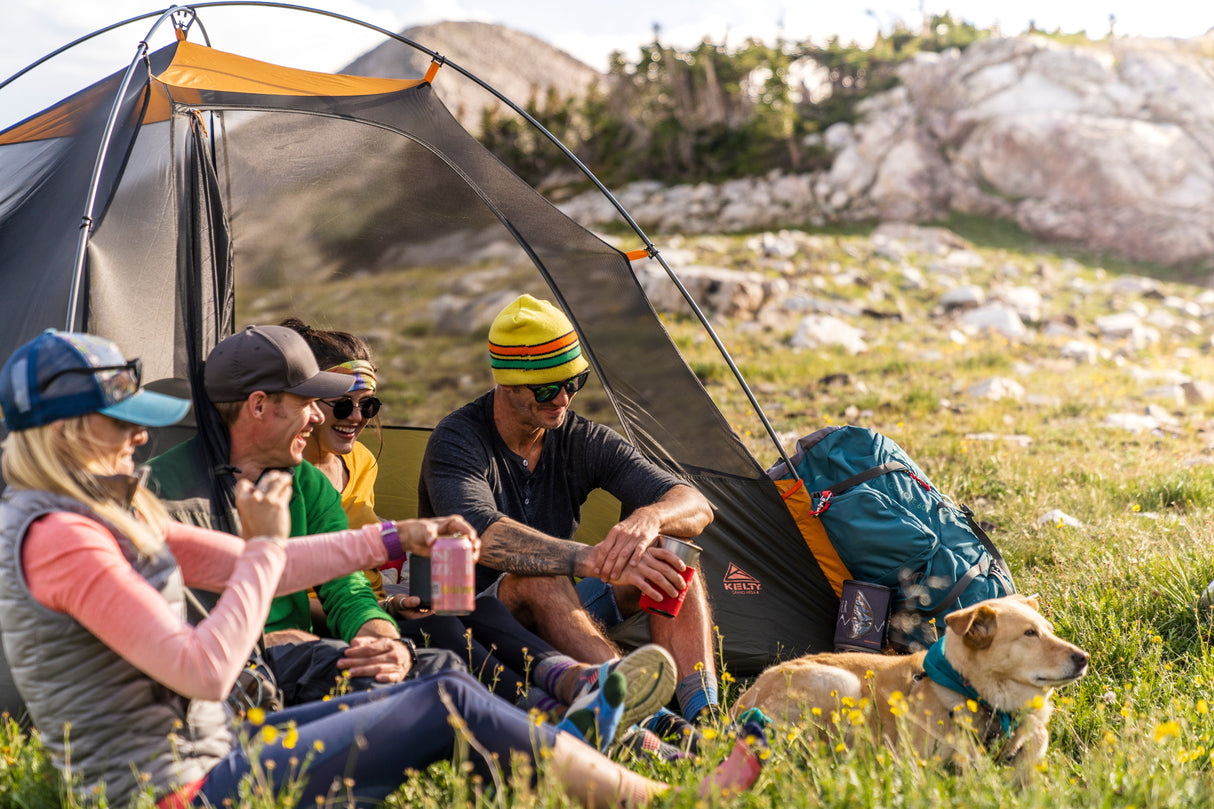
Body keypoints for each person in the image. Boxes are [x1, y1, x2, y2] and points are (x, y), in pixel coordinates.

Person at [0, 329, 769, 808]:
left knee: (436, 686)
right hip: (180, 789)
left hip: (210, 750)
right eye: (120, 426)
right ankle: (665, 798)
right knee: (440, 704)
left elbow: (259, 562)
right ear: (69, 432)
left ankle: (594, 748)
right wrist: (268, 548)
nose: (138, 440)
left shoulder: (95, 514)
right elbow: (203, 667)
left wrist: (399, 536)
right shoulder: (63, 538)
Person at [282, 317, 677, 727]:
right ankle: (571, 712)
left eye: (370, 405)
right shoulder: (284, 484)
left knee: (472, 614)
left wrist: (649, 517)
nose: (358, 417)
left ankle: (616, 693)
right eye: (344, 405)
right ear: (305, 403)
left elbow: (352, 550)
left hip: (384, 607)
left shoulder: (360, 461)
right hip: (355, 619)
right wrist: (389, 603)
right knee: (452, 626)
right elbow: (305, 594)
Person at [418, 294, 723, 736]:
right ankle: (642, 716)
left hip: (560, 604)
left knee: (671, 557)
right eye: (546, 388)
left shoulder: (579, 436)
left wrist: (650, 519)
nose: (562, 398)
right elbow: (480, 533)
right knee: (540, 573)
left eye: (574, 382)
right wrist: (589, 558)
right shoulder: (457, 440)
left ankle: (707, 718)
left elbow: (694, 503)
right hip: (474, 618)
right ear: (507, 383)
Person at [145, 324, 453, 703]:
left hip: (297, 658)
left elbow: (346, 587)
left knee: (439, 667)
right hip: (226, 670)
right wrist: (269, 639)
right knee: (426, 687)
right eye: (305, 403)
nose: (318, 417)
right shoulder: (160, 490)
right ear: (258, 406)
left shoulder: (307, 484)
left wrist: (383, 639)